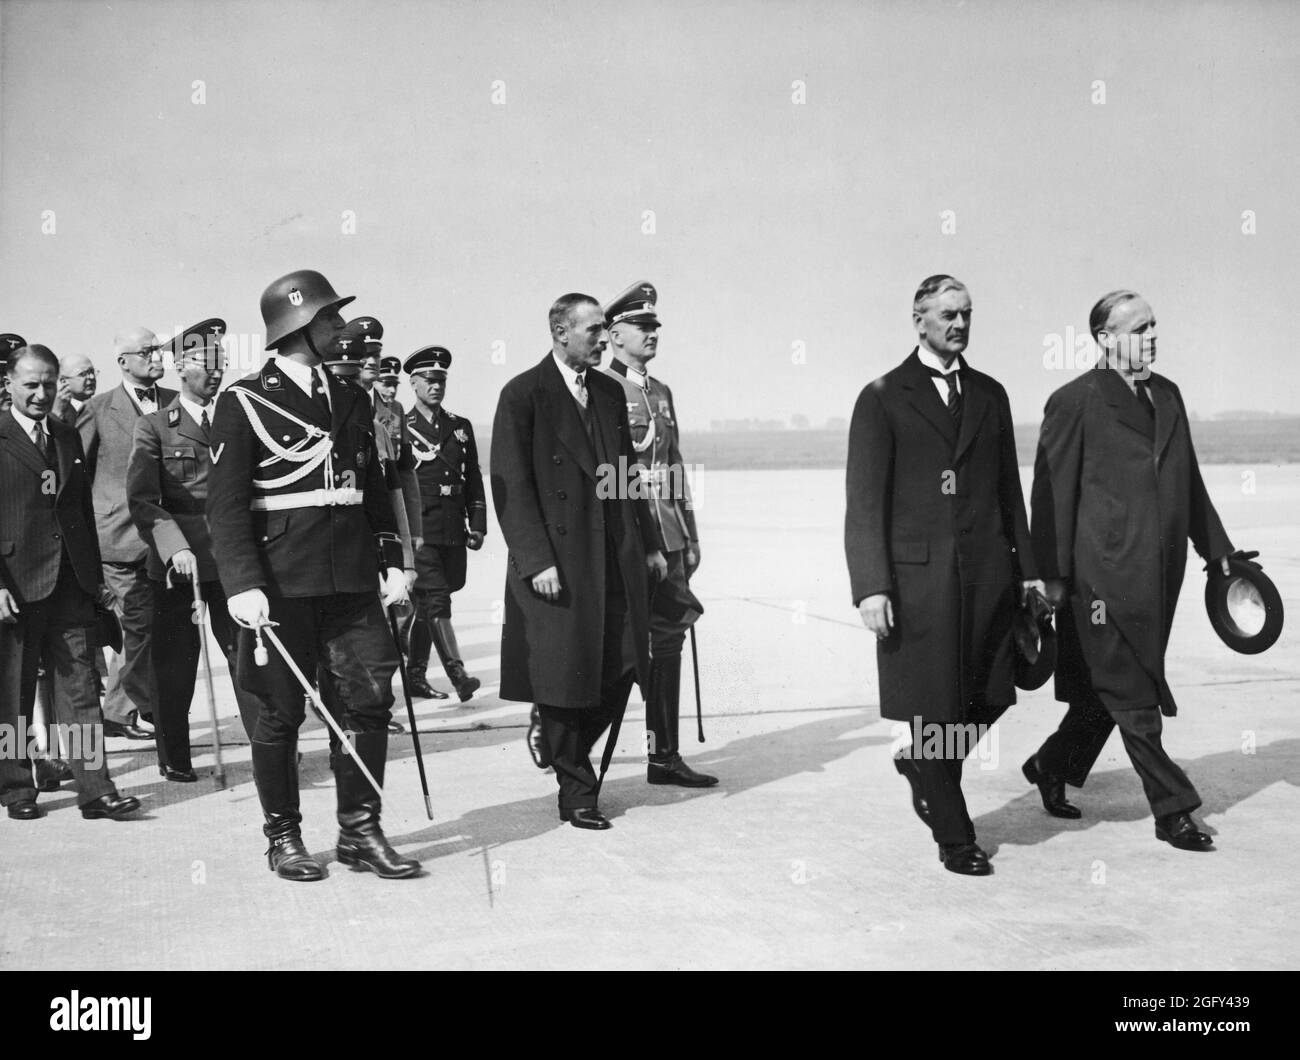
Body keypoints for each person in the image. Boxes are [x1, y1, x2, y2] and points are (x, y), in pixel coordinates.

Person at [207, 269, 417, 882]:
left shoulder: (350, 395)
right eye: (330, 318)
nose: (340, 327)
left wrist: (395, 561)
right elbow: (224, 505)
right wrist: (242, 582)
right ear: (299, 326)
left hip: (351, 582)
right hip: (279, 585)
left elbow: (371, 487)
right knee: (279, 714)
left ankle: (360, 829)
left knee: (369, 701)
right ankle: (284, 837)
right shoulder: (244, 400)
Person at [845, 275, 1040, 876]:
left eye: (967, 314)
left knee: (990, 693)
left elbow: (1010, 490)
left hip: (988, 577)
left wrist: (1029, 574)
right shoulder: (882, 396)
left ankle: (921, 765)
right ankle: (956, 836)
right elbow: (864, 501)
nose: (959, 324)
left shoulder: (990, 393)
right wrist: (871, 584)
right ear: (918, 318)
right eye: (948, 314)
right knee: (934, 707)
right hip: (918, 582)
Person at [1023, 290, 1232, 852]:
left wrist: (1220, 553)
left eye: (1154, 325)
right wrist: (1053, 576)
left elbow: (1188, 483)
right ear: (1105, 338)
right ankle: (1174, 809)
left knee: (1107, 691)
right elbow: (1050, 494)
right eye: (1139, 328)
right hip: (1100, 579)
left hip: (1159, 577)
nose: (1152, 336)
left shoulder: (1168, 396)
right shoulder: (1074, 401)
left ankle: (1051, 763)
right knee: (1134, 693)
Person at [491, 293, 666, 830]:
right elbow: (510, 485)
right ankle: (577, 793)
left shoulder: (610, 393)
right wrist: (535, 559)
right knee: (565, 674)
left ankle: (557, 737)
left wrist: (653, 541)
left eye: (603, 328)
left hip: (614, 553)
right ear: (560, 332)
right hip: (557, 562)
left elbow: (626, 474)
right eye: (591, 329)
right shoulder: (523, 394)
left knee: (628, 662)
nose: (601, 336)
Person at [0, 343, 141, 821]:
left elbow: (78, 510)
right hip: (15, 585)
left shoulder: (64, 435)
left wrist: (94, 576)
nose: (39, 394)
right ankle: (16, 786)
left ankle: (95, 790)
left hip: (71, 583)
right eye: (29, 385)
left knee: (79, 689)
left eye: (46, 384)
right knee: (13, 692)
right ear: (10, 385)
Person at [127, 319, 259, 782]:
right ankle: (175, 756)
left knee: (249, 659)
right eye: (208, 363)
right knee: (173, 668)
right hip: (175, 568)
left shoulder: (237, 419)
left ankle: (267, 747)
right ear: (182, 367)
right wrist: (174, 548)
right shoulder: (155, 428)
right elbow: (143, 501)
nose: (218, 372)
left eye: (223, 362)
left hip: (232, 563)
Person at [600, 281, 714, 787]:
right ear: (614, 334)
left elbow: (673, 464)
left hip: (666, 527)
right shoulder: (603, 387)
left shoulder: (660, 392)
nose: (651, 334)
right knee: (619, 646)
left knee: (669, 638)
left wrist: (688, 531)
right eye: (641, 327)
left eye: (653, 327)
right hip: (627, 533)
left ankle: (663, 756)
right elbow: (608, 472)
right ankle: (560, 729)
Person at [80, 327, 177, 741]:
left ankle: (128, 711)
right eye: (147, 351)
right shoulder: (98, 409)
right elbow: (76, 477)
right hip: (117, 539)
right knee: (135, 627)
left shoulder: (176, 402)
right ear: (123, 362)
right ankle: (128, 711)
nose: (157, 357)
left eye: (159, 350)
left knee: (158, 630)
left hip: (170, 540)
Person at [403, 346, 487, 702]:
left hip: (453, 528)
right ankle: (458, 673)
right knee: (437, 601)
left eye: (441, 380)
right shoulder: (402, 428)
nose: (436, 386)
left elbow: (473, 480)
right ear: (414, 383)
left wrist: (478, 522)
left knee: (433, 600)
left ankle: (415, 674)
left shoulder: (460, 427)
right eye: (429, 380)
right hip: (420, 530)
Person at [52, 353, 98, 424]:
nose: (92, 377)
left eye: (92, 372)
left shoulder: (102, 408)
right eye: (83, 374)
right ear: (64, 381)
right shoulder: (58, 413)